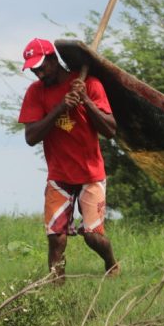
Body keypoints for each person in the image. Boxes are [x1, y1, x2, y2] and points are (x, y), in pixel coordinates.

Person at [17, 38, 119, 281]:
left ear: (53, 59)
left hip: (90, 174)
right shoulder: (35, 92)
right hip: (59, 176)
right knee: (56, 237)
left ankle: (111, 263)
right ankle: (56, 288)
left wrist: (85, 101)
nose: (39, 74)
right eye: (34, 69)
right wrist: (60, 108)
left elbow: (110, 130)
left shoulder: (90, 84)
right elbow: (31, 136)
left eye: (42, 67)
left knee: (92, 236)